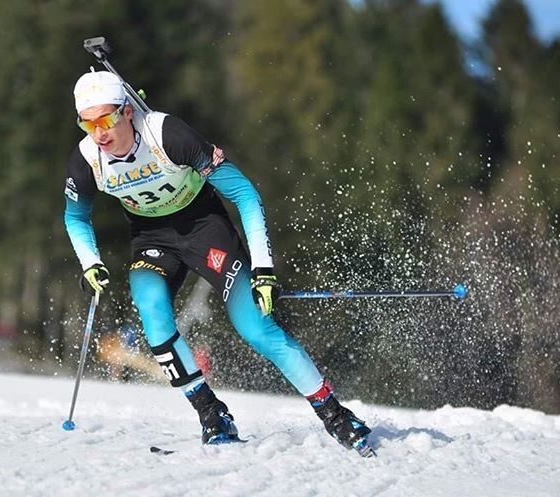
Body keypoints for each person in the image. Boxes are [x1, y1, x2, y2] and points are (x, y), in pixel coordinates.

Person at [63, 70, 371, 451]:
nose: (99, 133)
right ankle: (212, 414)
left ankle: (336, 415)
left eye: (107, 119)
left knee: (255, 328)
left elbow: (245, 195)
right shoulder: (87, 159)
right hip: (152, 239)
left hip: (204, 228)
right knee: (150, 305)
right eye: (88, 123)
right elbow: (75, 216)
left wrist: (263, 268)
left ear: (127, 111)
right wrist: (90, 262)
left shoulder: (168, 136)